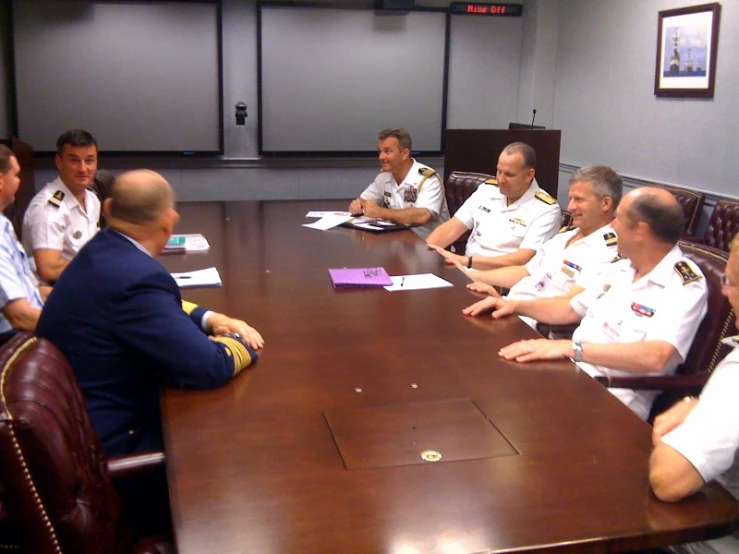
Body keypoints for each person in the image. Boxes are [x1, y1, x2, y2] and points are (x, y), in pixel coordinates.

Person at [36, 169, 264, 457]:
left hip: (72, 425)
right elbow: (209, 367)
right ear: (170, 222)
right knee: (238, 440)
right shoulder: (138, 278)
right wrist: (238, 341)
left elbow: (149, 307)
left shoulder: (99, 251)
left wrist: (210, 319)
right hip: (112, 444)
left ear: (108, 210)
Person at [466, 187, 707, 420]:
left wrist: (571, 348)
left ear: (640, 231)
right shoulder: (623, 267)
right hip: (571, 370)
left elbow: (656, 356)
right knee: (485, 379)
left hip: (613, 393)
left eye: (620, 219)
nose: (612, 226)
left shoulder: (684, 284)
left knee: (504, 411)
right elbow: (571, 308)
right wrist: (513, 304)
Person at [649, 233, 739, 554]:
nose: (725, 292)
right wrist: (698, 402)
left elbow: (669, 480)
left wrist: (685, 423)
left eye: (730, 282)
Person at [462, 165, 622, 330]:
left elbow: (570, 304)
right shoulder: (566, 235)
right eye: (571, 199)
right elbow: (525, 271)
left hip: (532, 326)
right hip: (509, 310)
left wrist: (511, 304)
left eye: (579, 200)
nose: (570, 207)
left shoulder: (608, 251)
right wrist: (470, 275)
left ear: (605, 204)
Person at [426, 142, 561, 270]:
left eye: (509, 174)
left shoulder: (546, 209)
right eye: (499, 171)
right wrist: (424, 254)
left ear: (529, 175)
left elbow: (522, 260)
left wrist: (467, 261)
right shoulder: (487, 190)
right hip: (465, 270)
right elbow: (451, 228)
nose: (501, 179)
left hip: (500, 281)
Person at [22, 129, 101, 282]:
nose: (83, 169)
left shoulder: (92, 199)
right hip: (55, 292)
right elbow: (49, 269)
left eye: (89, 160)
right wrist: (98, 267)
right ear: (59, 162)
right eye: (74, 160)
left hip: (84, 282)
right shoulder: (48, 208)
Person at [348, 128, 449, 239]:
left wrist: (382, 213)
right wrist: (358, 205)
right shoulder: (384, 177)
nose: (381, 157)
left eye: (387, 151)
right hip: (398, 241)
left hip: (429, 244)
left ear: (405, 153)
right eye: (380, 151)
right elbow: (365, 200)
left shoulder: (428, 179)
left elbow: (424, 216)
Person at [0, 145, 49, 336]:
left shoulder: (4, 223)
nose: (19, 182)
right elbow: (20, 316)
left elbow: (31, 290)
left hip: (35, 321)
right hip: (17, 337)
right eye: (16, 175)